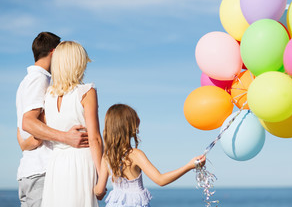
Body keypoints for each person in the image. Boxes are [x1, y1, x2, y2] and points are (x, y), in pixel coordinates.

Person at [16, 32, 88, 207]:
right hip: (41, 171)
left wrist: (28, 143)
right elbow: (28, 122)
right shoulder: (40, 79)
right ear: (54, 52)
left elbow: (22, 131)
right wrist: (66, 137)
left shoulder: (26, 82)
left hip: (32, 172)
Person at [94, 104, 206, 206]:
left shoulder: (107, 157)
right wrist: (189, 166)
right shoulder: (135, 154)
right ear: (128, 126)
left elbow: (99, 190)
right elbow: (160, 180)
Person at [41, 41, 103, 207]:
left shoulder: (48, 95)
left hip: (56, 163)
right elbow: (95, 138)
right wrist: (101, 175)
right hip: (81, 161)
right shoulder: (86, 92)